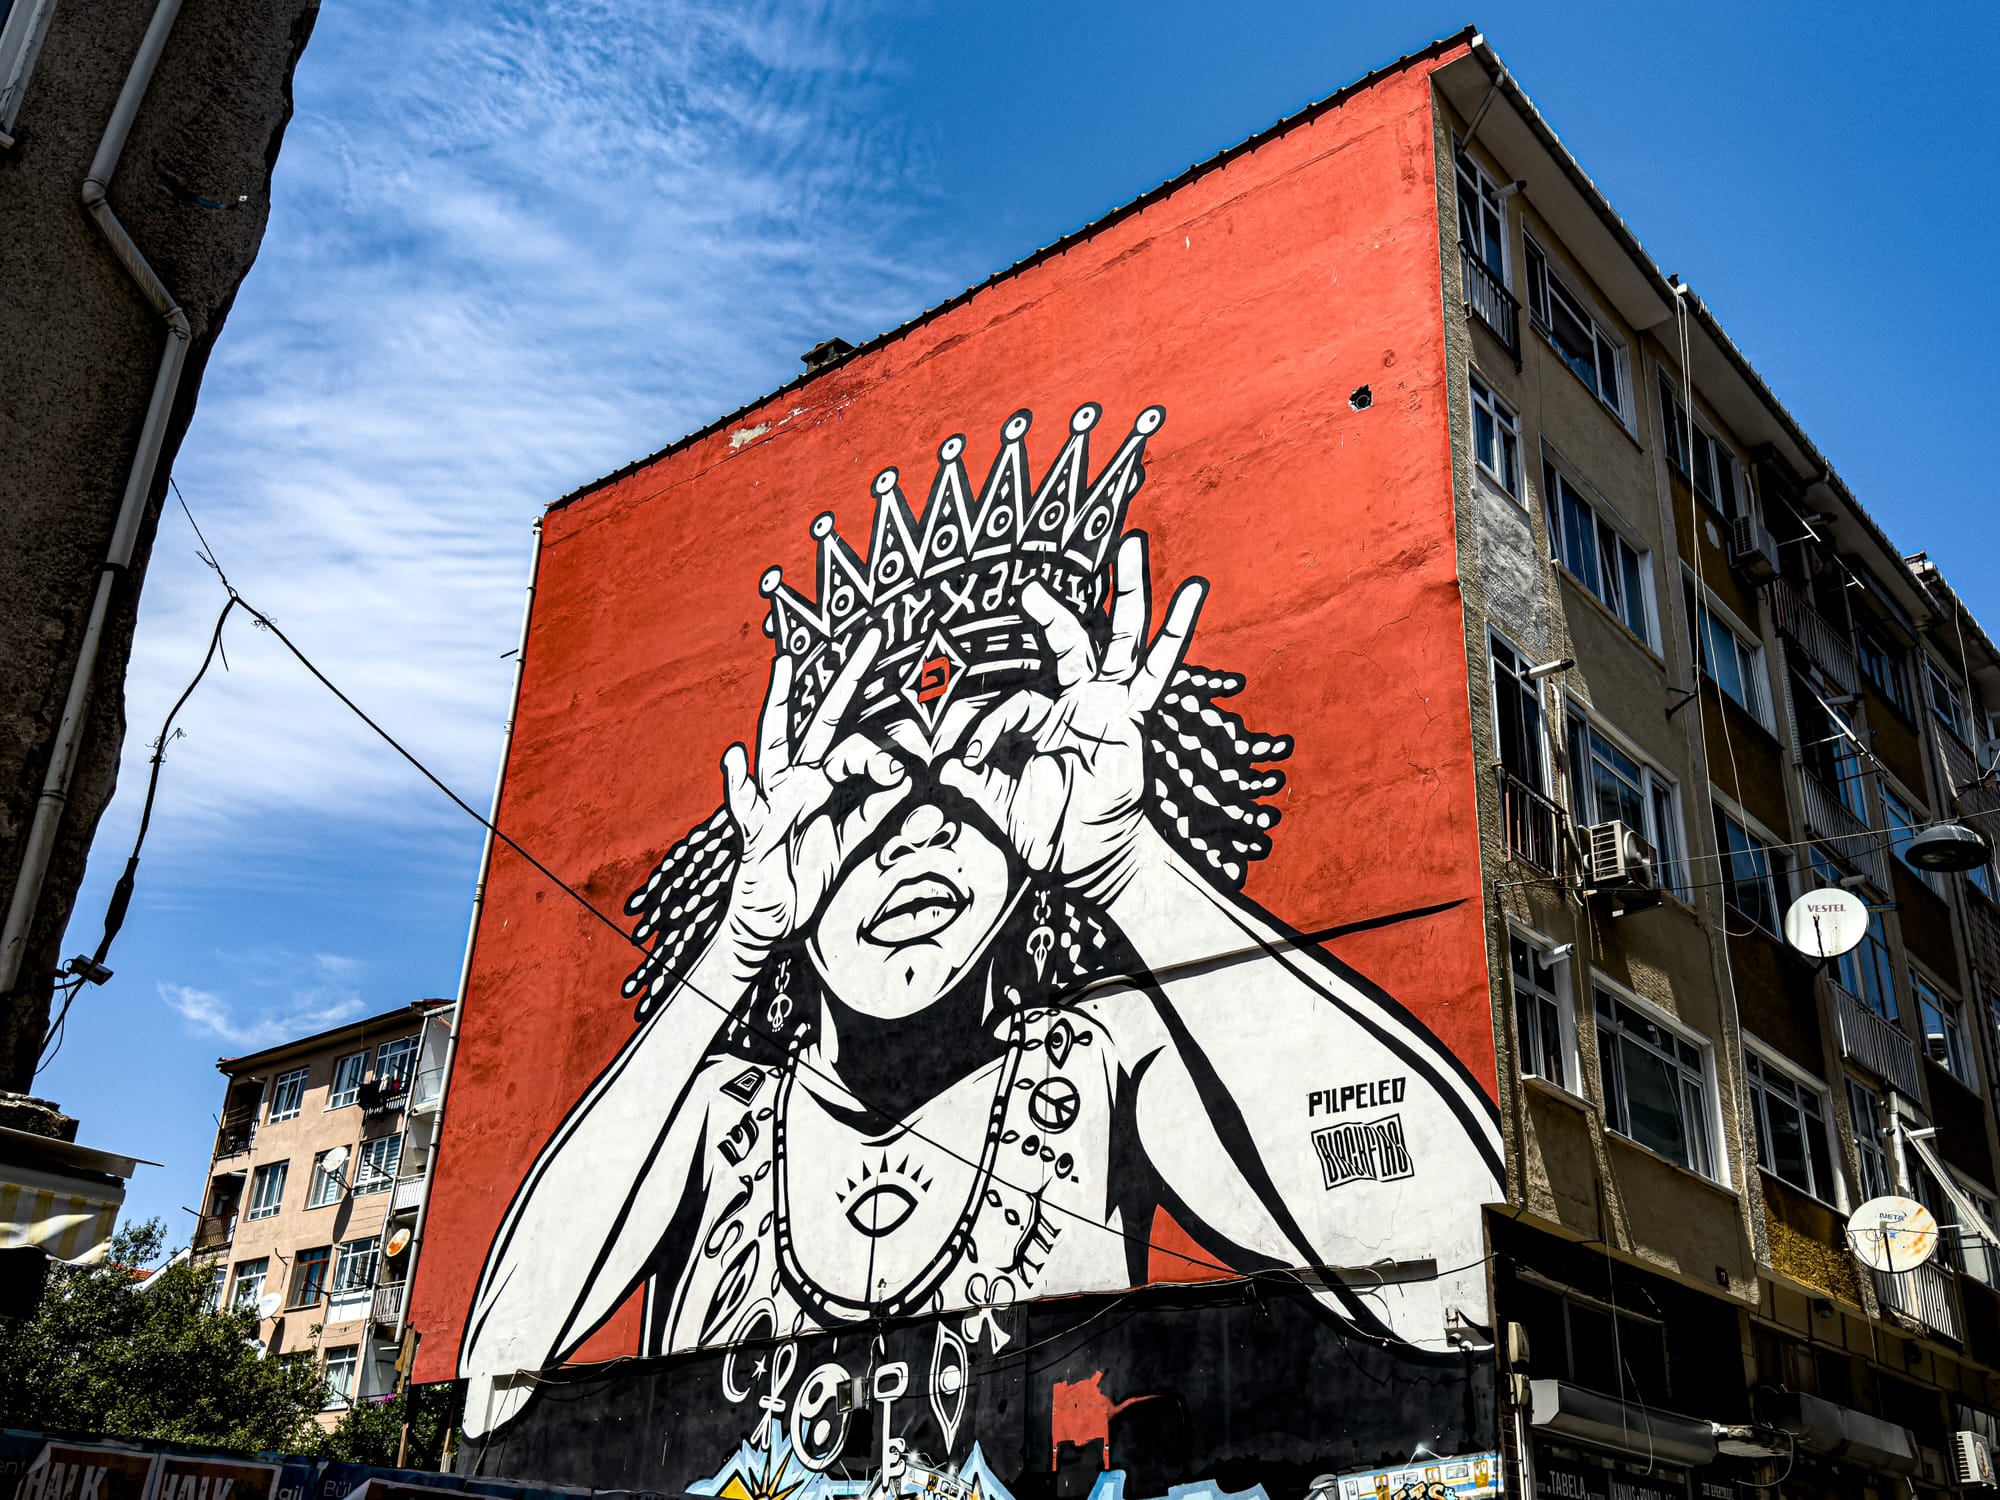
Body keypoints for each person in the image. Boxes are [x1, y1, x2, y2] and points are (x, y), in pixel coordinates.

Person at [457, 409, 1503, 1440]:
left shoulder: (1100, 1064)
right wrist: (736, 946)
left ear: (1020, 871)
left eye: (983, 775)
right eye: (865, 797)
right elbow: (491, 1379)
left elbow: (1452, 1280)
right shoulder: (712, 1114)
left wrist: (1129, 864)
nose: (921, 835)